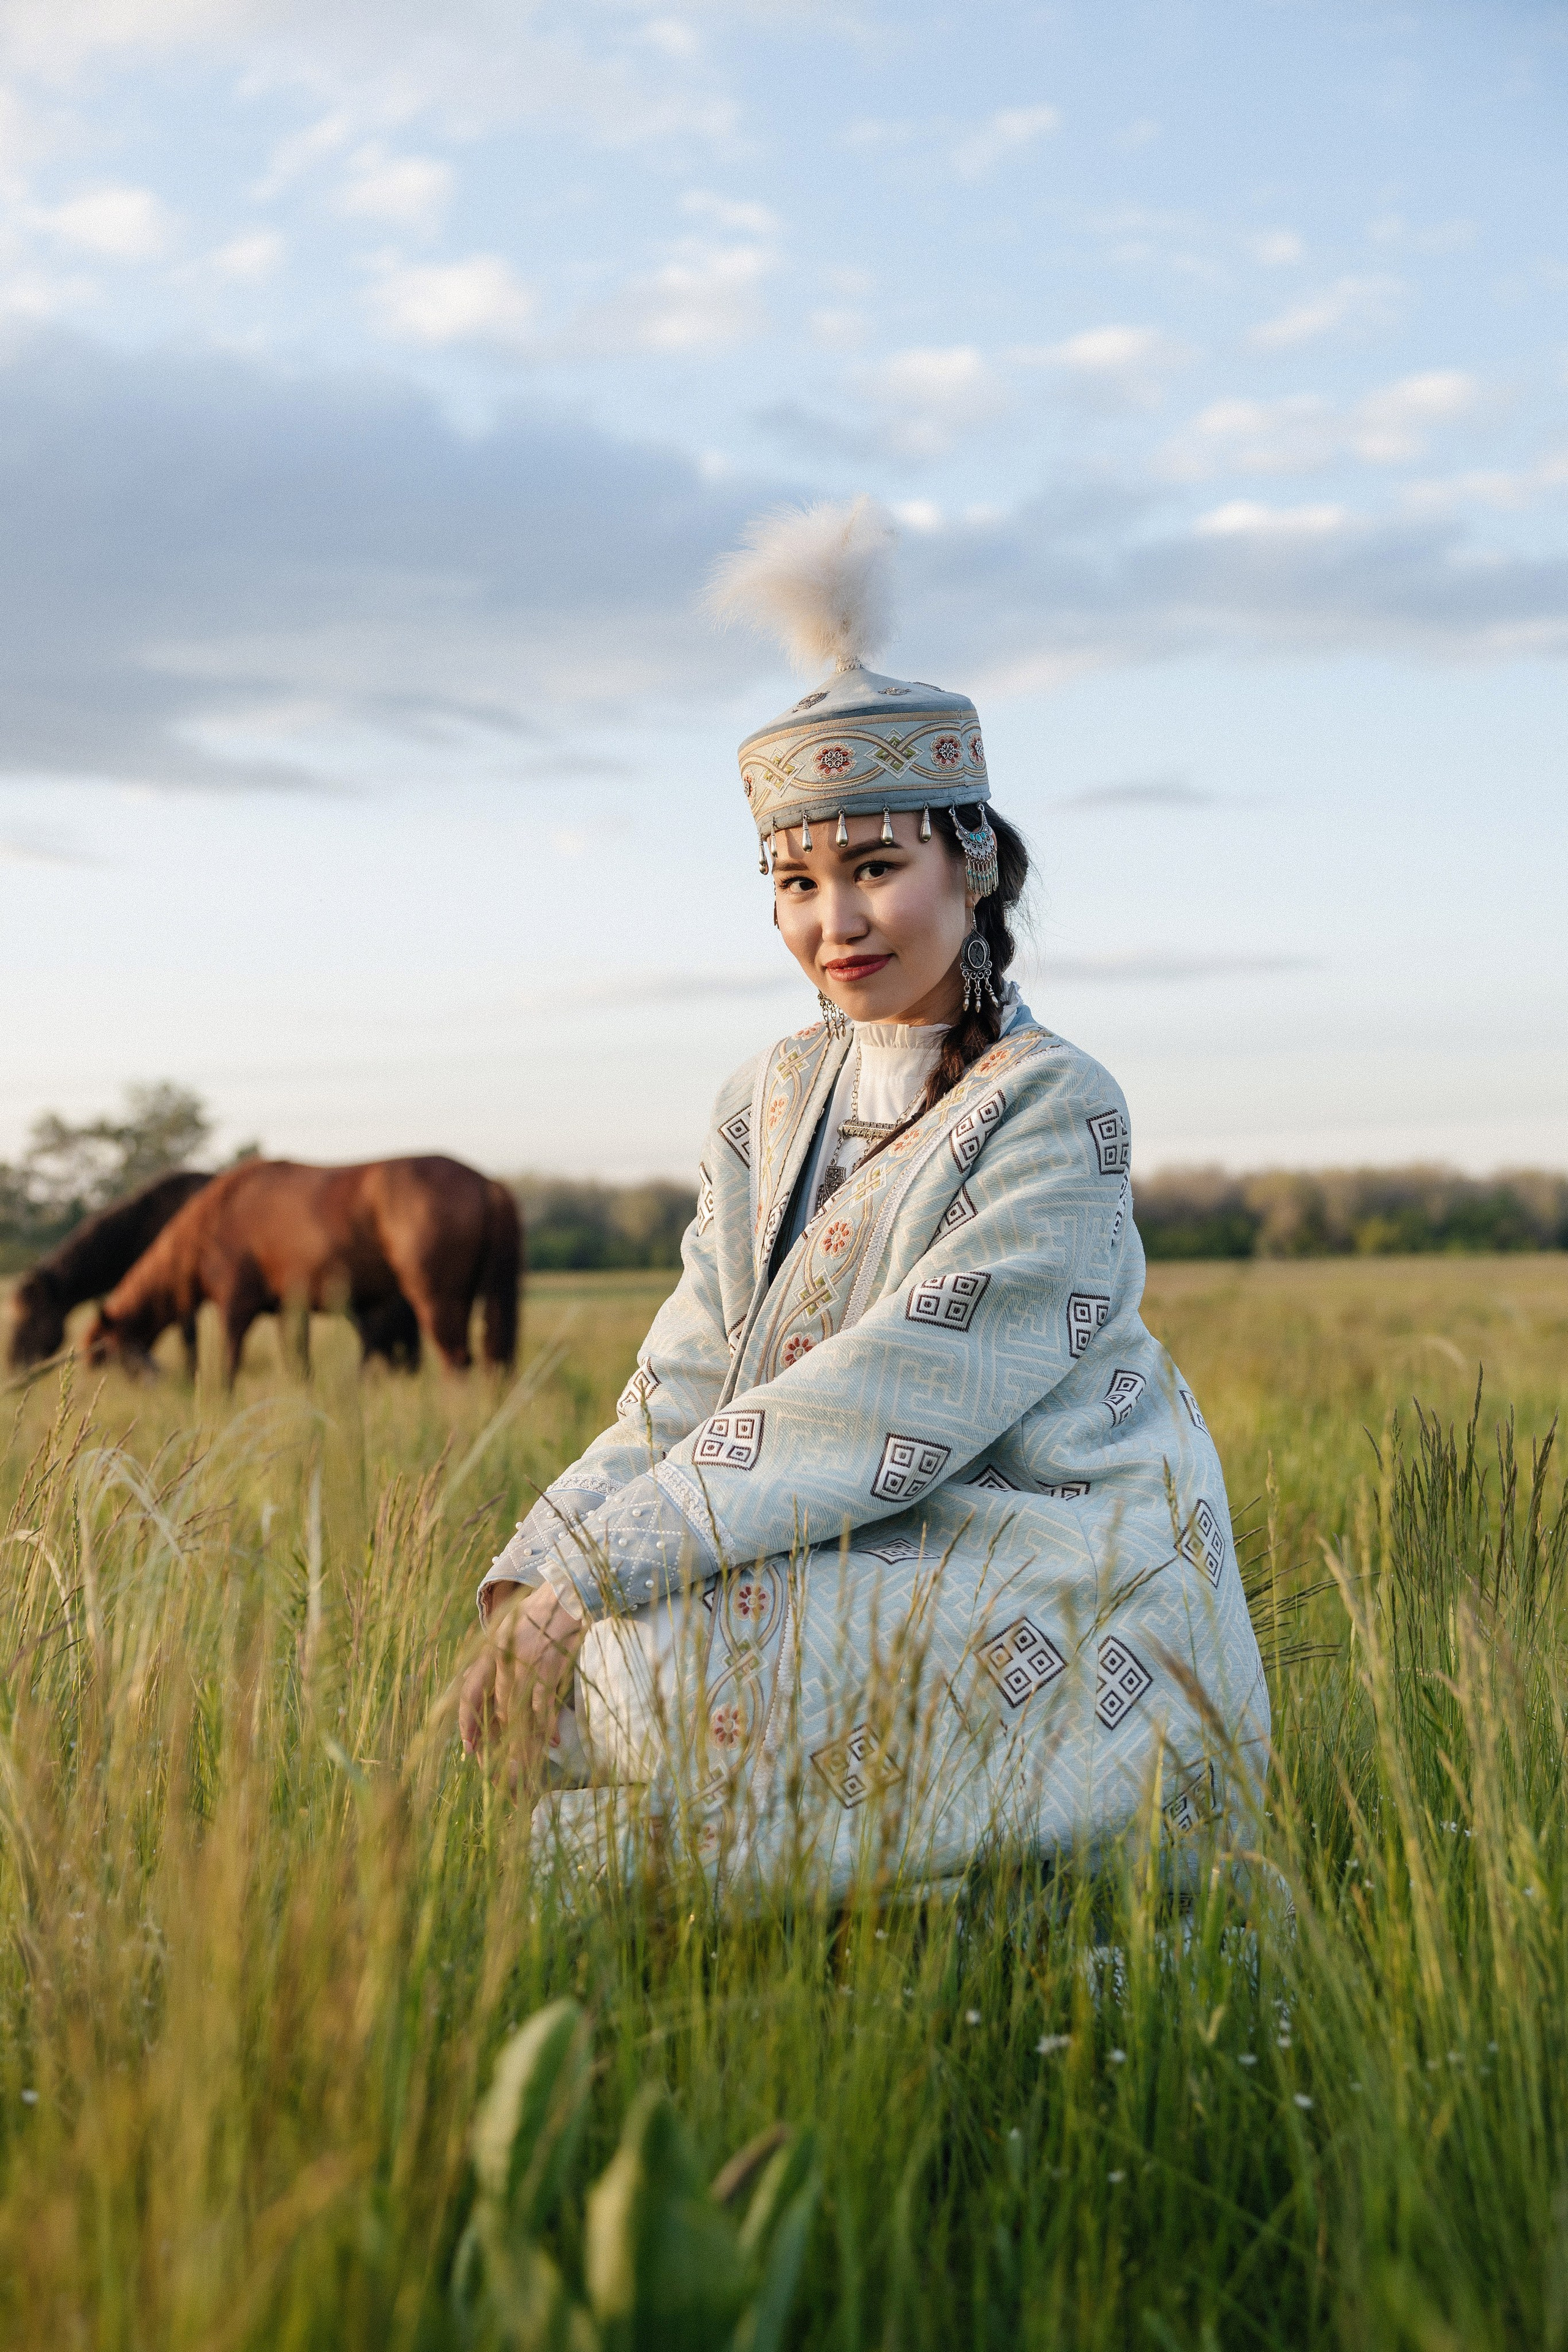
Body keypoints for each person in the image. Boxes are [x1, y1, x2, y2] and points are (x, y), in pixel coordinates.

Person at [459, 498, 1268, 1898]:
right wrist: (539, 1577)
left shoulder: (1050, 1102)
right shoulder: (762, 1100)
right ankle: (738, 1892)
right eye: (795, 882)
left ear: (975, 865)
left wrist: (604, 1578)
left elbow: (894, 1398)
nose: (831, 923)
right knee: (603, 1658)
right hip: (824, 1524)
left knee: (652, 1681)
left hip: (1042, 1533)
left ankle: (792, 1894)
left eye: (876, 869)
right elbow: (685, 1378)